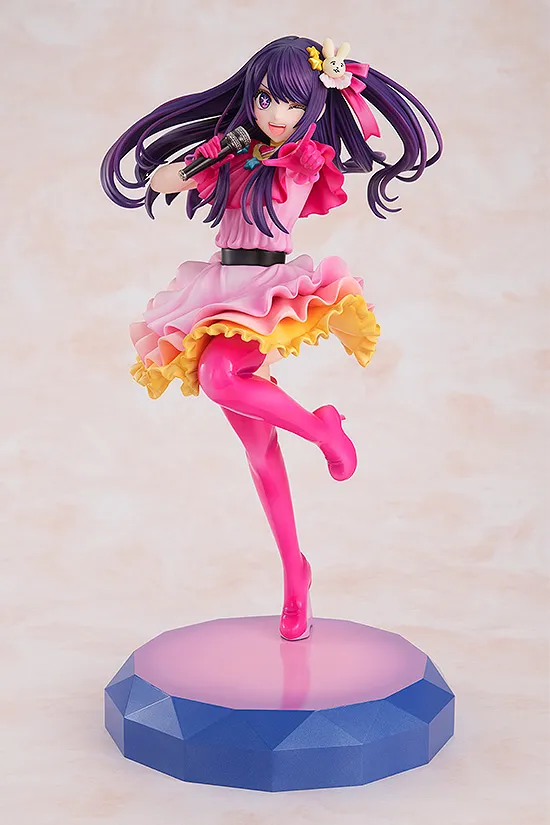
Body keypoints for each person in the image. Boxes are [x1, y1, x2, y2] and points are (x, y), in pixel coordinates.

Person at [100, 35, 442, 641]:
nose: (275, 115)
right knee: (259, 453)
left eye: (291, 103)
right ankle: (294, 579)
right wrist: (201, 159)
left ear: (313, 106)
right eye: (264, 100)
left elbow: (294, 163)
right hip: (216, 288)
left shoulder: (306, 158)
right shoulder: (233, 151)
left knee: (219, 376)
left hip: (265, 291)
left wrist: (259, 142)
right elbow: (172, 177)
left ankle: (324, 431)